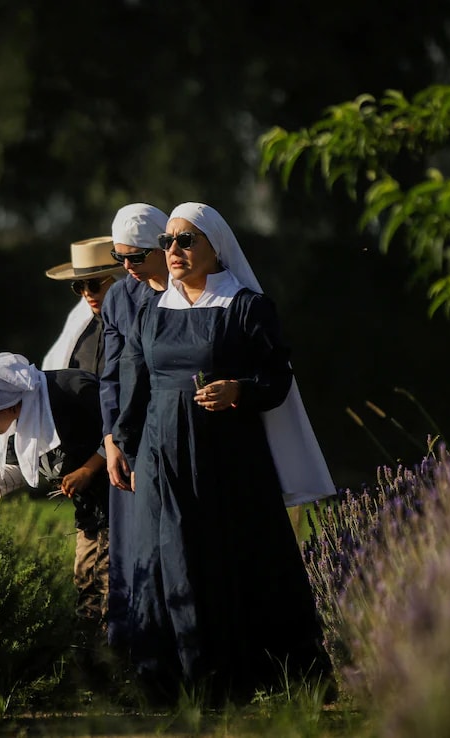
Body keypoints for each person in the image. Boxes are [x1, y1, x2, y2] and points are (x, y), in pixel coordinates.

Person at [113, 202, 336, 701]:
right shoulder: (150, 310)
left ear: (216, 247)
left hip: (228, 458)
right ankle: (170, 682)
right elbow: (136, 377)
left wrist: (240, 390)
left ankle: (243, 678)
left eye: (185, 241)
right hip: (161, 456)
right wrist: (120, 443)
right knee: (165, 555)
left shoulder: (247, 307)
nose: (173, 251)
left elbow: (277, 378)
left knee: (230, 557)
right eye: (167, 241)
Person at [0, 352, 110, 632]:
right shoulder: (23, 418)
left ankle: (127, 664)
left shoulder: (73, 391)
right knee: (86, 584)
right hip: (91, 512)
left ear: (8, 404)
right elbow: (25, 468)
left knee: (111, 585)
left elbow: (125, 428)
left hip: (124, 501)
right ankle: (95, 665)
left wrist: (89, 469)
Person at [97, 203, 170, 650]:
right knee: (130, 548)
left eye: (136, 257)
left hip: (167, 433)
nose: (127, 267)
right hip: (123, 442)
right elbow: (110, 376)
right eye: (119, 258)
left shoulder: (185, 292)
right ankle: (132, 650)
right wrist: (109, 440)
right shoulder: (118, 297)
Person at [42, 236, 124, 374]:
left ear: (119, 280)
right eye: (79, 286)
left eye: (94, 285)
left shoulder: (137, 326)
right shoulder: (78, 328)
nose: (87, 293)